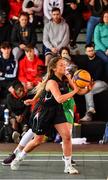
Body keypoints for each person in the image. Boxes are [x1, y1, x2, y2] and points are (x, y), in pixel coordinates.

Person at [9, 56, 79, 174]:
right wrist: (75, 91)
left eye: (64, 64)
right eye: (61, 65)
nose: (64, 67)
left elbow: (42, 89)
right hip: (44, 112)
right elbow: (59, 98)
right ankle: (20, 157)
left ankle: (68, 166)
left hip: (57, 110)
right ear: (54, 68)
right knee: (38, 140)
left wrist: (82, 86)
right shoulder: (52, 81)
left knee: (66, 136)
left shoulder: (63, 79)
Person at [79, 44, 108, 122]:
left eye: (92, 50)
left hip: (102, 83)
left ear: (94, 50)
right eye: (89, 51)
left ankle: (90, 110)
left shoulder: (99, 61)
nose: (91, 52)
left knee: (88, 89)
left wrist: (88, 83)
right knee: (87, 89)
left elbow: (97, 76)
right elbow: (81, 73)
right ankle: (89, 113)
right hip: (90, 83)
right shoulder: (84, 61)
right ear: (86, 52)